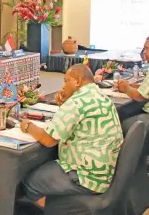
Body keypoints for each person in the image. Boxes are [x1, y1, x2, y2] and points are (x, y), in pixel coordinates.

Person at [20, 64, 123, 208]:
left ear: (78, 81)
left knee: (28, 182)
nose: (63, 86)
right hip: (102, 172)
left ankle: (58, 210)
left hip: (86, 177)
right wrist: (64, 106)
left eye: (66, 81)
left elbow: (48, 140)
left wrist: (28, 126)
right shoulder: (101, 97)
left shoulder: (77, 102)